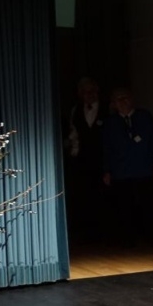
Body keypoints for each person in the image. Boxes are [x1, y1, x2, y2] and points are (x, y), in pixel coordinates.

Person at [101, 86, 153, 248]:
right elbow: (106, 148)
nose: (122, 102)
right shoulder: (110, 122)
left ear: (132, 99)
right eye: (118, 99)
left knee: (149, 204)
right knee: (124, 206)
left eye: (125, 97)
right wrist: (107, 170)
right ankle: (127, 240)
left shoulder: (144, 117)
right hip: (121, 171)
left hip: (143, 168)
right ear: (113, 103)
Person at [64, 76, 106, 243]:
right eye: (85, 92)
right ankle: (85, 233)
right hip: (83, 160)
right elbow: (73, 133)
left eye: (92, 91)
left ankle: (103, 233)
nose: (89, 94)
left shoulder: (107, 108)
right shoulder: (76, 110)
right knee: (84, 196)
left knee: (102, 196)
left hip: (102, 159)